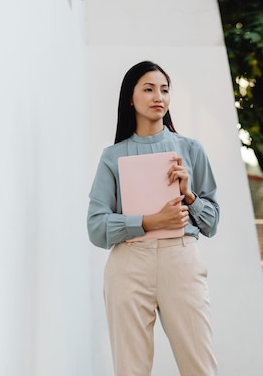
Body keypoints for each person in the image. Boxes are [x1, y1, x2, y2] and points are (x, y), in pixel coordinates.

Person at [87, 61, 219, 376]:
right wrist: (150, 221)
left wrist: (189, 195)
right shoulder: (113, 156)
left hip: (181, 259)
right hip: (129, 265)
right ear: (130, 98)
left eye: (164, 89)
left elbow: (212, 223)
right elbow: (95, 226)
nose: (158, 96)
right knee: (130, 369)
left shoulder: (190, 149)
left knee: (200, 366)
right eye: (148, 89)